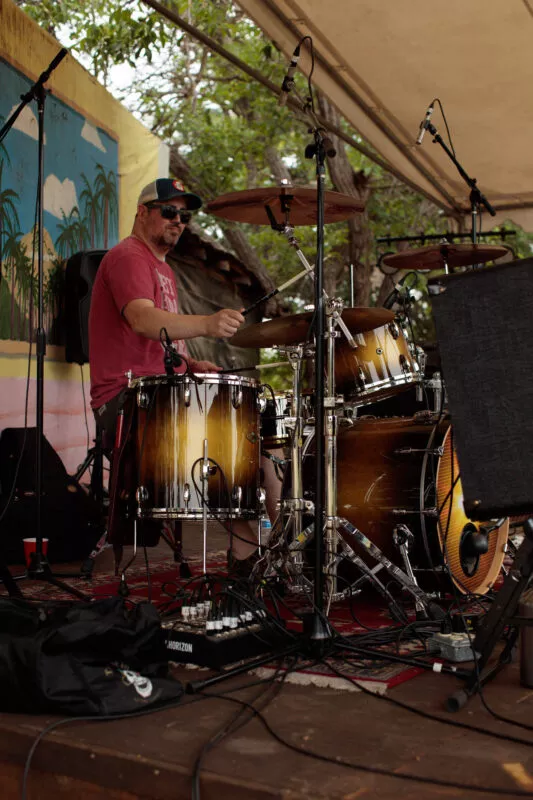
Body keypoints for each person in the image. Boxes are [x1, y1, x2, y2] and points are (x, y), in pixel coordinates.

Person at [88, 178, 280, 570]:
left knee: (261, 433)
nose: (179, 221)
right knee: (232, 449)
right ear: (143, 212)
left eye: (185, 216)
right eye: (169, 212)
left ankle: (275, 546)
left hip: (162, 394)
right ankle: (254, 557)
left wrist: (192, 365)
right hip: (128, 400)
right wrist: (208, 324)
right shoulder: (128, 258)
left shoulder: (165, 271)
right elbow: (142, 320)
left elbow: (164, 341)